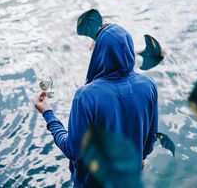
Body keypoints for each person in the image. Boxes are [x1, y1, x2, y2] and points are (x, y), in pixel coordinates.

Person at [35, 24, 158, 187]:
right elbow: (151, 136)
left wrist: (48, 113)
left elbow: (73, 150)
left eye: (94, 50)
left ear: (101, 54)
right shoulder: (148, 85)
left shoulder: (86, 96)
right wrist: (142, 157)